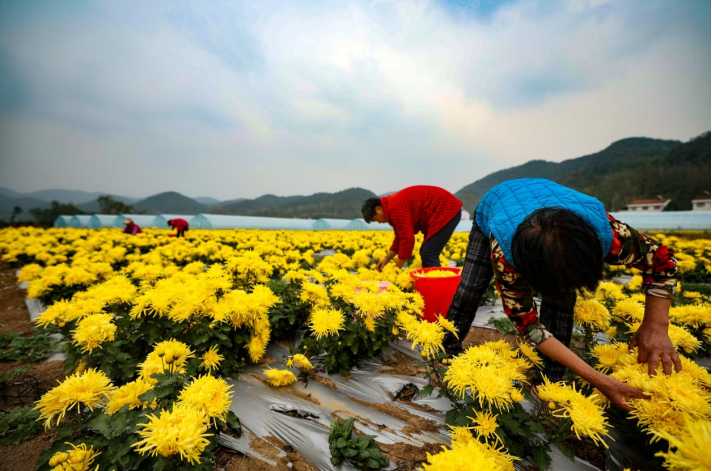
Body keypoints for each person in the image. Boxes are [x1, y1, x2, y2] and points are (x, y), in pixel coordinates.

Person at [444, 178, 680, 410]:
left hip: (548, 202)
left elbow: (663, 262)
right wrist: (598, 379)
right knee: (469, 289)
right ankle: (446, 351)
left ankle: (551, 384)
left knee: (561, 307)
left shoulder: (610, 235)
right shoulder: (504, 253)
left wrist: (656, 325)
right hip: (496, 205)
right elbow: (528, 324)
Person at [362, 185, 462, 270]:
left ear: (378, 209)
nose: (379, 222)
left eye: (375, 219)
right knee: (427, 252)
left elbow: (407, 239)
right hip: (442, 210)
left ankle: (437, 286)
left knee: (428, 253)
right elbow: (399, 238)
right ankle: (432, 282)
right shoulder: (391, 207)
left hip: (446, 210)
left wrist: (397, 269)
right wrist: (386, 259)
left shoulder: (394, 208)